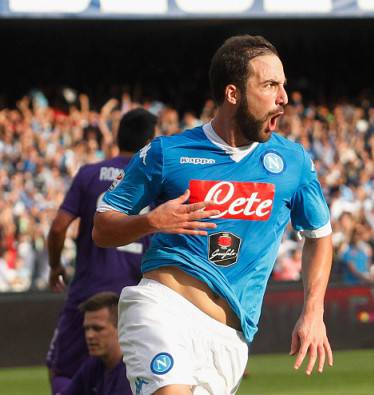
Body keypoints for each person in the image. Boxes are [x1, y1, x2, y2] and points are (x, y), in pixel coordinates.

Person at [93, 35, 334, 395]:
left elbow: (319, 237)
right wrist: (151, 221)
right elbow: (101, 228)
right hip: (163, 308)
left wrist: (313, 313)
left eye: (283, 85)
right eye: (270, 85)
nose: (283, 97)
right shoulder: (166, 153)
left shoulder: (293, 162)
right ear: (232, 93)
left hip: (229, 337)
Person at [46, 108, 157, 394]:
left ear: (117, 137)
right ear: (150, 142)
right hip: (134, 300)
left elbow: (59, 227)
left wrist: (55, 266)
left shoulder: (89, 174)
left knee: (62, 368)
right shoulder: (156, 181)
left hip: (89, 293)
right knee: (135, 375)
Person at [59, 292, 132, 395]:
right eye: (87, 328)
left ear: (120, 328)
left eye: (97, 329)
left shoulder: (131, 371)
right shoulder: (94, 366)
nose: (89, 335)